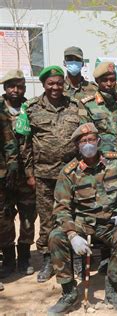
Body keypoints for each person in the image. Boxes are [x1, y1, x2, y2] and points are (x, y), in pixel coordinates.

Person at [48, 123, 117, 314]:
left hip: (110, 223)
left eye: (91, 140)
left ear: (98, 141)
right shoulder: (69, 172)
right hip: (83, 224)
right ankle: (69, 292)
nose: (88, 144)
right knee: (56, 236)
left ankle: (112, 290)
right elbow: (61, 208)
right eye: (83, 141)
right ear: (77, 146)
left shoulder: (115, 163)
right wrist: (72, 234)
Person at [16, 65, 88, 283]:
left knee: (74, 216)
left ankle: (76, 257)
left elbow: (86, 137)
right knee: (47, 219)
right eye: (51, 83)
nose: (55, 87)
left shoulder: (76, 106)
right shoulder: (30, 108)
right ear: (44, 85)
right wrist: (29, 173)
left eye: (59, 83)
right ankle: (48, 259)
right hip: (44, 174)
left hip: (72, 174)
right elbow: (25, 145)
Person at [0, 71, 20, 279]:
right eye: (10, 86)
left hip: (6, 173)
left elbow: (9, 141)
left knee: (6, 217)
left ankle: (13, 258)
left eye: (19, 85)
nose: (14, 90)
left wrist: (11, 167)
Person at [80, 62, 117, 153]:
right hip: (103, 156)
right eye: (105, 80)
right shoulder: (87, 105)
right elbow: (85, 135)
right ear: (97, 81)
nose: (109, 83)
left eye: (112, 80)